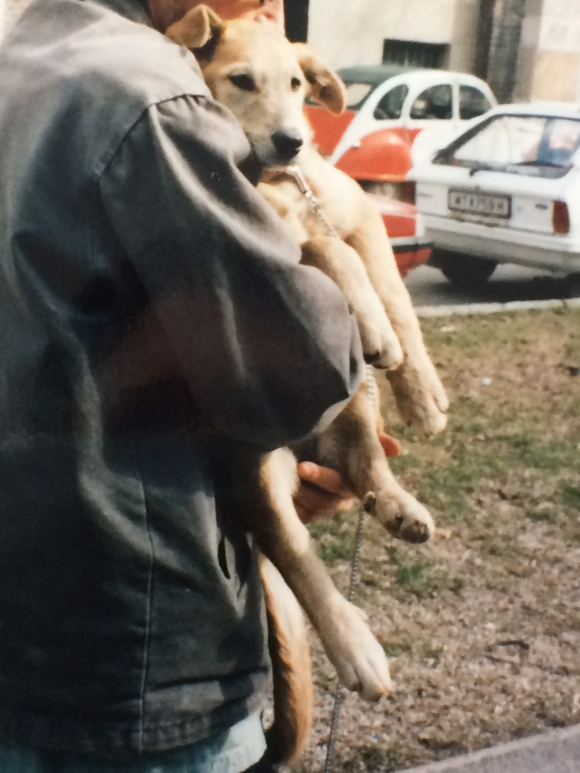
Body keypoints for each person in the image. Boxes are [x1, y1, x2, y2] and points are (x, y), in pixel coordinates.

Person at [0, 0, 362, 771]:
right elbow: (297, 371)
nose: (269, 6)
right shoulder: (149, 93)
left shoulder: (16, 63)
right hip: (128, 650)